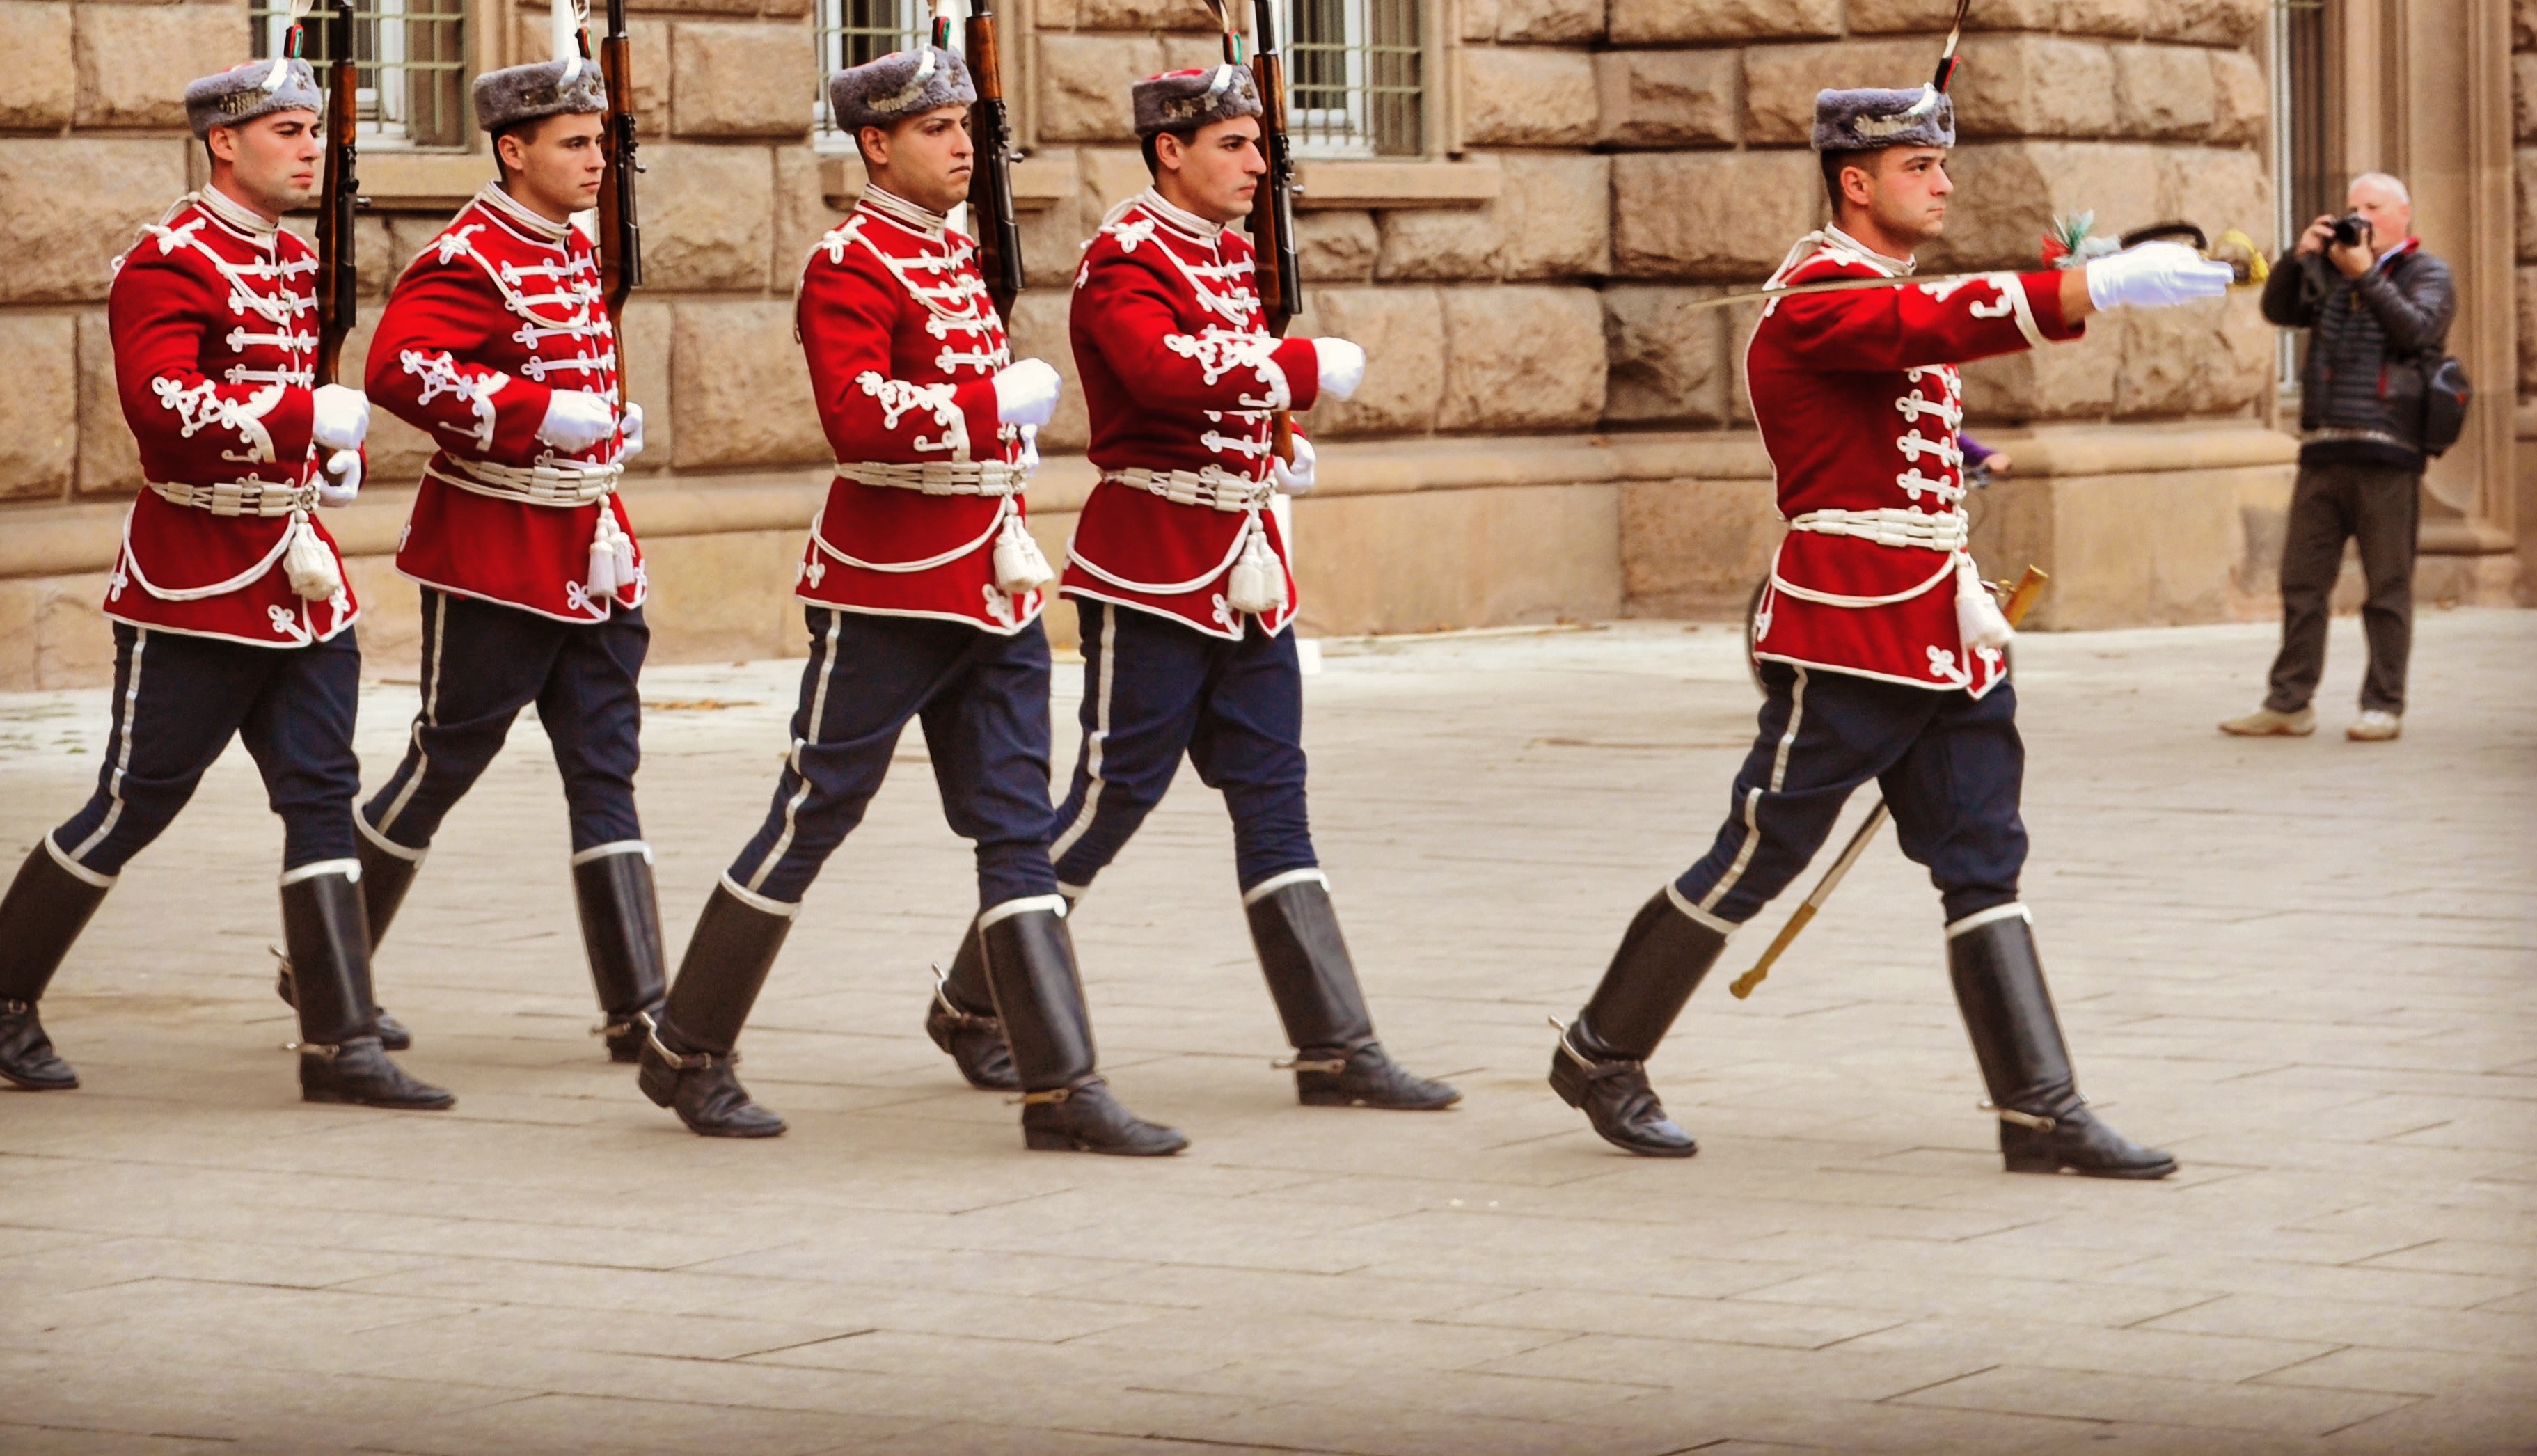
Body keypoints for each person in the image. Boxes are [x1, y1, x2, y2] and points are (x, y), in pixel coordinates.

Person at [1545, 81, 2234, 1177]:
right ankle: (1600, 1051)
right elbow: (1917, 328)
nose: (1945, 182)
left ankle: (2040, 1110)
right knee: (1758, 854)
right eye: (1921, 166)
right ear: (1854, 182)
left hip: (1943, 623)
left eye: (1942, 163)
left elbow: (1904, 382)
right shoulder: (1816, 291)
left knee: (1983, 860)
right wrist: (2086, 284)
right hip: (1850, 627)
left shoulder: (1883, 286)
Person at [633, 45, 1185, 1156]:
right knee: (813, 813)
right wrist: (986, 400)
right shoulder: (851, 264)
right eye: (936, 129)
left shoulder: (957, 253)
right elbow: (856, 416)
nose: (960, 146)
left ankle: (1062, 1087)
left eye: (966, 127)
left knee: (1018, 828)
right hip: (888, 585)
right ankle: (686, 1046)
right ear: (876, 144)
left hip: (991, 574)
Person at [918, 66, 1455, 1114]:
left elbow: (1229, 372)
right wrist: (1293, 372)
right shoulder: (1125, 254)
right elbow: (1162, 373)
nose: (1258, 165)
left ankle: (1337, 1048)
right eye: (1235, 145)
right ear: (1171, 150)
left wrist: (1276, 441)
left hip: (1246, 566)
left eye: (1260, 147)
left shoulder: (1233, 255)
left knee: (1276, 800)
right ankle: (978, 1001)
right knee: (1114, 797)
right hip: (1155, 563)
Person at [0, 58, 448, 1112]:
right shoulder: (168, 261)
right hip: (196, 586)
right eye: (290, 130)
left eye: (315, 130)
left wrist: (324, 466)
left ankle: (340, 1042)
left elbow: (275, 405)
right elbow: (164, 405)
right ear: (226, 141)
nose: (313, 149)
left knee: (321, 796)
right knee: (133, 804)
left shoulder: (291, 261)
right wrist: (310, 418)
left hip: (297, 580)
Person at [310, 57, 663, 1062]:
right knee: (444, 760)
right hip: (498, 555)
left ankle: (640, 1003)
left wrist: (601, 428)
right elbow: (399, 369)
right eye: (574, 143)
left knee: (606, 768)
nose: (597, 159)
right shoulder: (472, 254)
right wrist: (539, 413)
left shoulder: (564, 250)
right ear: (514, 151)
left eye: (598, 141)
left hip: (591, 551)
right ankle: (326, 963)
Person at [2222, 173, 2455, 743]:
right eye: (2352, 207)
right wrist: (2298, 258)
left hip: (2389, 449)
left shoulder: (2429, 273)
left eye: (2371, 206)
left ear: (2403, 214)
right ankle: (2289, 702)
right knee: (2301, 583)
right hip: (2324, 446)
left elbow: (2417, 330)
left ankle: (2383, 703)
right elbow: (2280, 311)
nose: (2359, 216)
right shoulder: (2332, 267)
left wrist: (2366, 275)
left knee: (2386, 587)